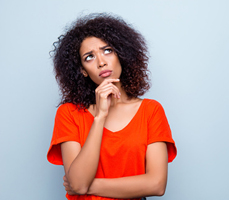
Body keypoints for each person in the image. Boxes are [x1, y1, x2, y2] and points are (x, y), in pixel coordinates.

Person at [47, 13, 177, 200]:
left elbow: (156, 185)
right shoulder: (68, 113)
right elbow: (77, 183)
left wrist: (88, 185)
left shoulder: (151, 111)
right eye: (89, 57)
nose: (101, 62)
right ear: (82, 70)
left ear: (121, 55)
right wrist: (99, 117)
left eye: (107, 50)